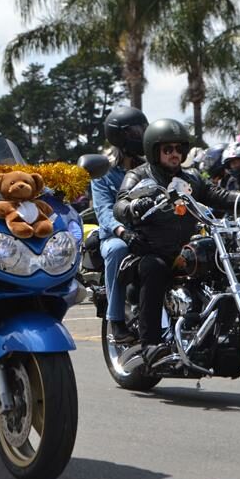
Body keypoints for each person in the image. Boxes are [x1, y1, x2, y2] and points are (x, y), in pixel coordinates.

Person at [113, 119, 238, 368]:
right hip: (149, 251)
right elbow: (120, 204)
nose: (175, 154)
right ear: (154, 151)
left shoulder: (190, 179)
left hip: (182, 252)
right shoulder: (138, 175)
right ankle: (150, 345)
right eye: (167, 149)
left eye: (178, 149)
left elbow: (219, 195)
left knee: (222, 264)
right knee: (155, 268)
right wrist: (135, 206)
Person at [90, 106, 147, 344]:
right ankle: (116, 321)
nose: (142, 135)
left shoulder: (149, 168)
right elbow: (103, 211)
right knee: (117, 251)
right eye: (135, 132)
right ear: (119, 136)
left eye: (143, 129)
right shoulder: (103, 173)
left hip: (148, 233)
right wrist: (122, 232)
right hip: (116, 236)